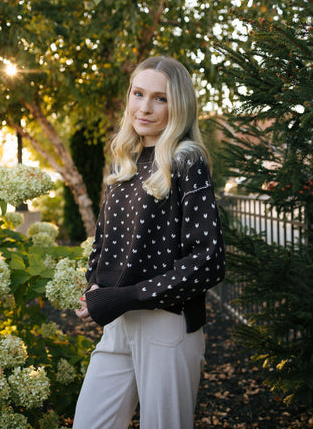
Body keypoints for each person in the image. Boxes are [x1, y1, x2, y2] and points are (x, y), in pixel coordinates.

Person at [73, 56, 225, 429]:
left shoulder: (186, 159)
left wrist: (123, 297)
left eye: (160, 98)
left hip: (166, 324)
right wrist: (96, 285)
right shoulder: (124, 159)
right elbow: (106, 236)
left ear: (180, 105)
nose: (144, 107)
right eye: (138, 94)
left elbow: (208, 260)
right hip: (119, 321)